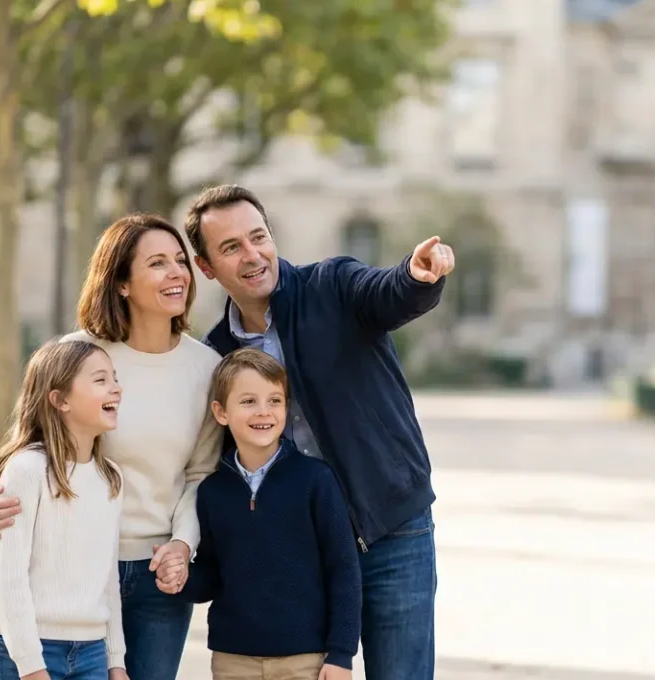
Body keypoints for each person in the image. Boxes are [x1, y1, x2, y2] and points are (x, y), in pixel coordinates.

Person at [157, 184, 453, 680]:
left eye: (259, 237)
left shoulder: (331, 285)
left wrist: (416, 276)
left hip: (392, 529)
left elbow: (387, 292)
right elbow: (208, 463)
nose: (253, 255)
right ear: (206, 268)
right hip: (302, 553)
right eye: (231, 247)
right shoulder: (217, 355)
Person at [0, 214, 224, 680]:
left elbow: (201, 475)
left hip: (158, 573)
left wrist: (182, 544)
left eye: (180, 260)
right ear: (121, 283)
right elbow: (33, 448)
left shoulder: (207, 368)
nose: (177, 272)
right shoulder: (79, 357)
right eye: (157, 263)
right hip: (75, 568)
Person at [177, 348, 360, 680]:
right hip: (233, 661)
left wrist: (341, 654)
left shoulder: (315, 481)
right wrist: (182, 578)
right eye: (248, 401)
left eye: (274, 400)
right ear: (221, 412)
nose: (264, 411)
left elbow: (344, 571)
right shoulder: (212, 492)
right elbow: (213, 575)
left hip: (305, 660)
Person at [0, 339, 128, 680]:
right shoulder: (27, 469)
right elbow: (8, 579)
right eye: (101, 380)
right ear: (60, 400)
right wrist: (31, 666)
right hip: (28, 647)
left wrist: (116, 660)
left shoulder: (111, 478)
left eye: (114, 378)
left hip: (92, 653)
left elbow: (108, 580)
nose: (116, 388)